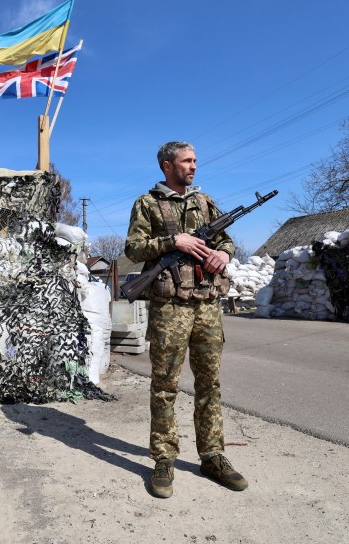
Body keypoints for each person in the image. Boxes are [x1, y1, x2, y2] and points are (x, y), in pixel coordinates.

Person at [125, 141, 248, 498]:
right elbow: (133, 249)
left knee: (210, 384)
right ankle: (164, 458)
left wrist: (222, 255)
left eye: (195, 160)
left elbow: (227, 240)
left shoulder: (205, 202)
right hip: (170, 310)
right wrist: (172, 240)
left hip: (208, 306)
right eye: (187, 161)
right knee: (164, 386)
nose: (194, 166)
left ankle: (212, 456)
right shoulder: (146, 203)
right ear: (167, 165)